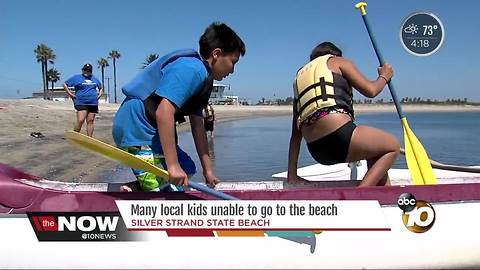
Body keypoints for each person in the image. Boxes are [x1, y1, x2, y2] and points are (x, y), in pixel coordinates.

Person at [112, 22, 245, 192]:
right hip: (137, 127)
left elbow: (198, 126)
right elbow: (164, 111)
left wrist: (208, 170)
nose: (232, 70)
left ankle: (137, 187)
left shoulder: (204, 78)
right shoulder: (192, 69)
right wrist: (172, 165)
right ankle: (148, 193)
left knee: (187, 169)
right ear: (217, 54)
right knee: (168, 186)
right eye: (233, 62)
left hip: (152, 130)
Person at [287, 42, 400, 187]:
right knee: (392, 146)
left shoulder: (299, 80)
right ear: (334, 54)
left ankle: (382, 197)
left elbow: (295, 136)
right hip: (341, 138)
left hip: (318, 151)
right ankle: (359, 195)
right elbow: (371, 91)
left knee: (376, 152)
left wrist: (292, 175)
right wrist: (384, 76)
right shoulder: (338, 61)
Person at [64, 63, 103, 137]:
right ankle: (75, 135)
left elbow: (100, 87)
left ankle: (90, 138)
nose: (87, 72)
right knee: (81, 120)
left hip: (93, 103)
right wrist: (70, 94)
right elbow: (65, 84)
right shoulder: (76, 78)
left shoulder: (94, 79)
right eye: (85, 70)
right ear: (83, 70)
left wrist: (99, 95)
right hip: (81, 102)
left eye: (88, 70)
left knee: (90, 121)